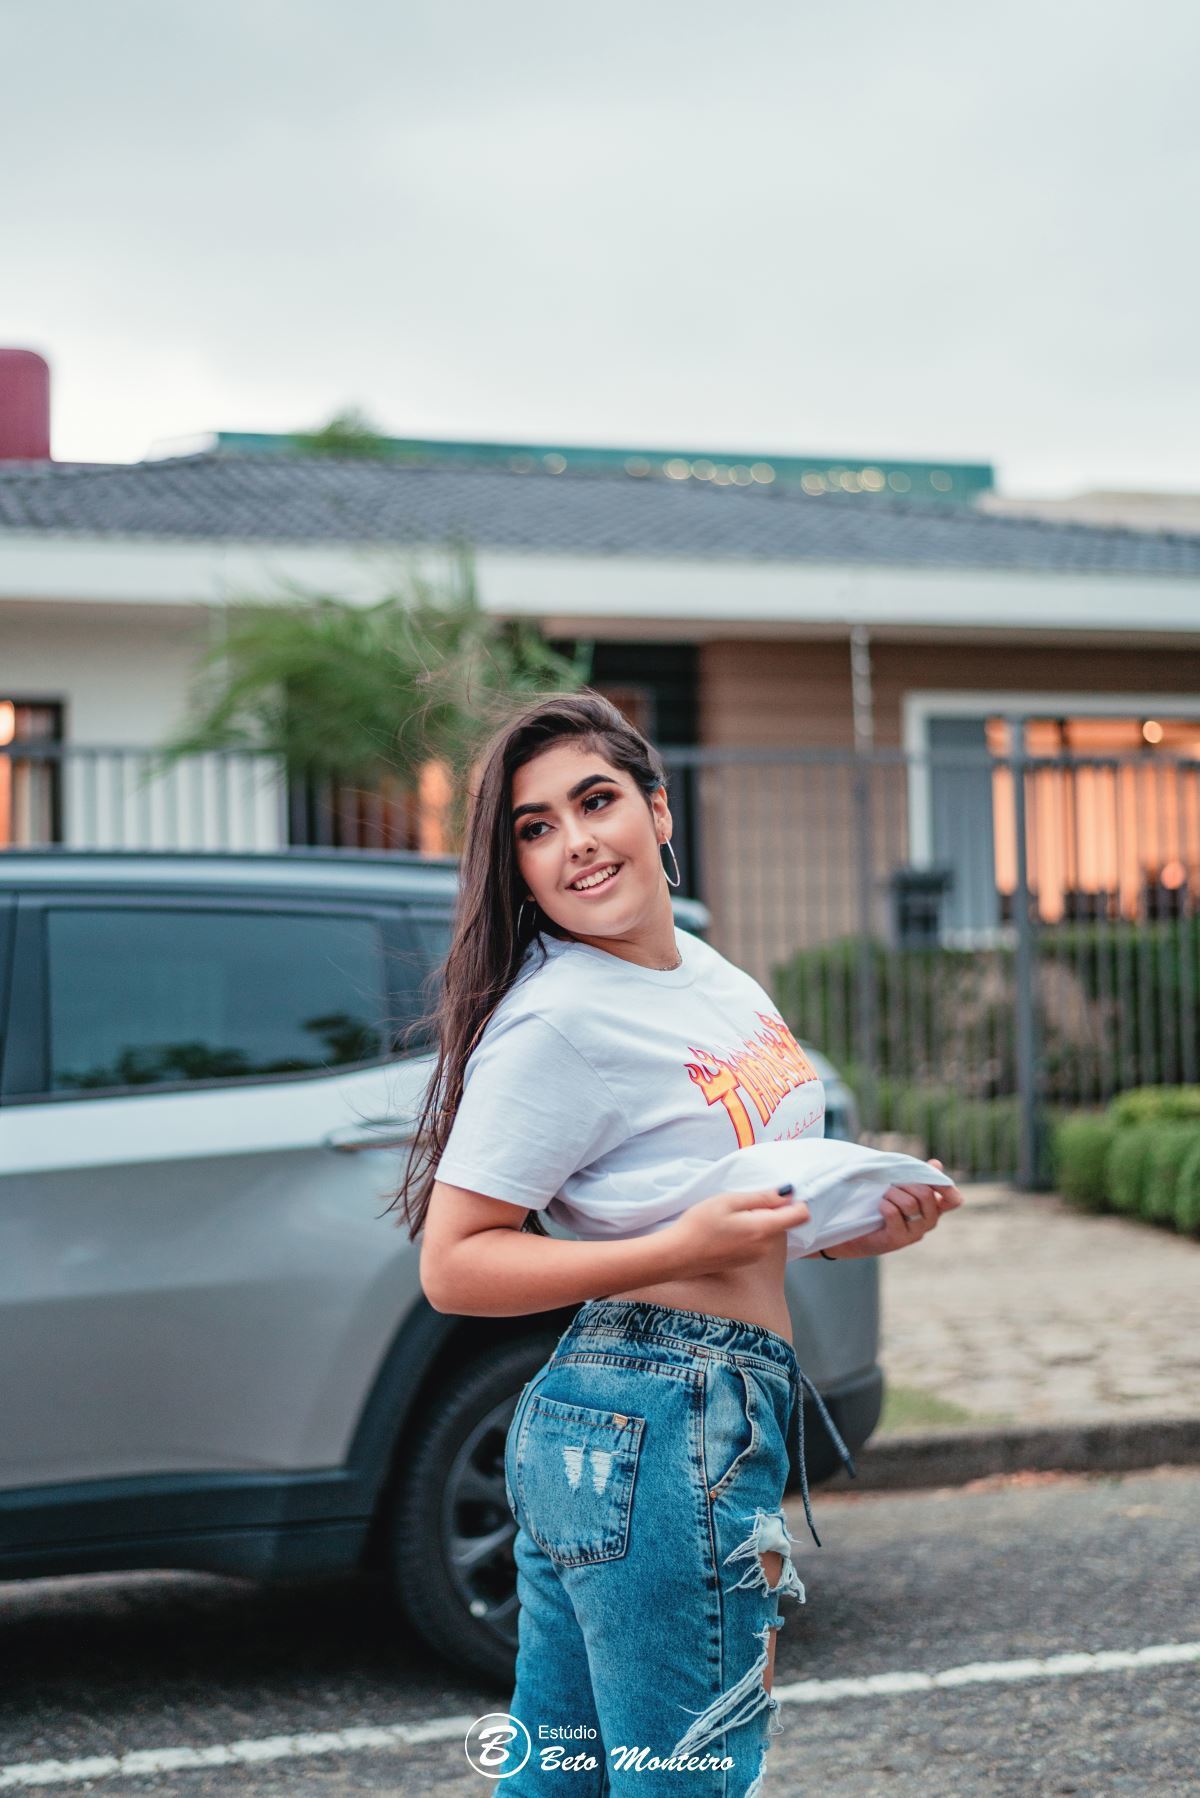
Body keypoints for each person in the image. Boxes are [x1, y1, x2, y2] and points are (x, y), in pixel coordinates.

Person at [399, 690, 963, 1796]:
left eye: (595, 801)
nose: (574, 843)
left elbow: (732, 1211)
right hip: (661, 1425)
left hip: (649, 1419)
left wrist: (857, 1227)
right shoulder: (558, 1020)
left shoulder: (710, 977)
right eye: (536, 827)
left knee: (563, 1782)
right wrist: (676, 1245)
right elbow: (455, 1262)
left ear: (658, 810)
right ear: (516, 866)